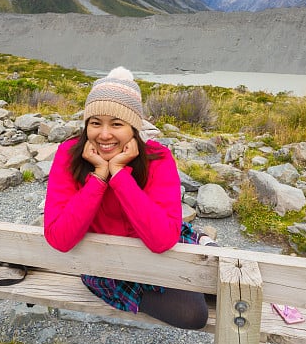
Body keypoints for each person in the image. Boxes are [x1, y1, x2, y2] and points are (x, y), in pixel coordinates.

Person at [44, 67, 209, 329]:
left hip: (156, 246)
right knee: (193, 314)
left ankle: (200, 244)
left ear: (134, 128)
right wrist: (99, 178)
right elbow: (59, 238)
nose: (104, 134)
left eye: (117, 124)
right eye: (95, 123)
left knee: (220, 284)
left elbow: (163, 239)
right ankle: (203, 244)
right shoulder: (69, 154)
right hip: (106, 267)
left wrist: (120, 175)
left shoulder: (157, 157)